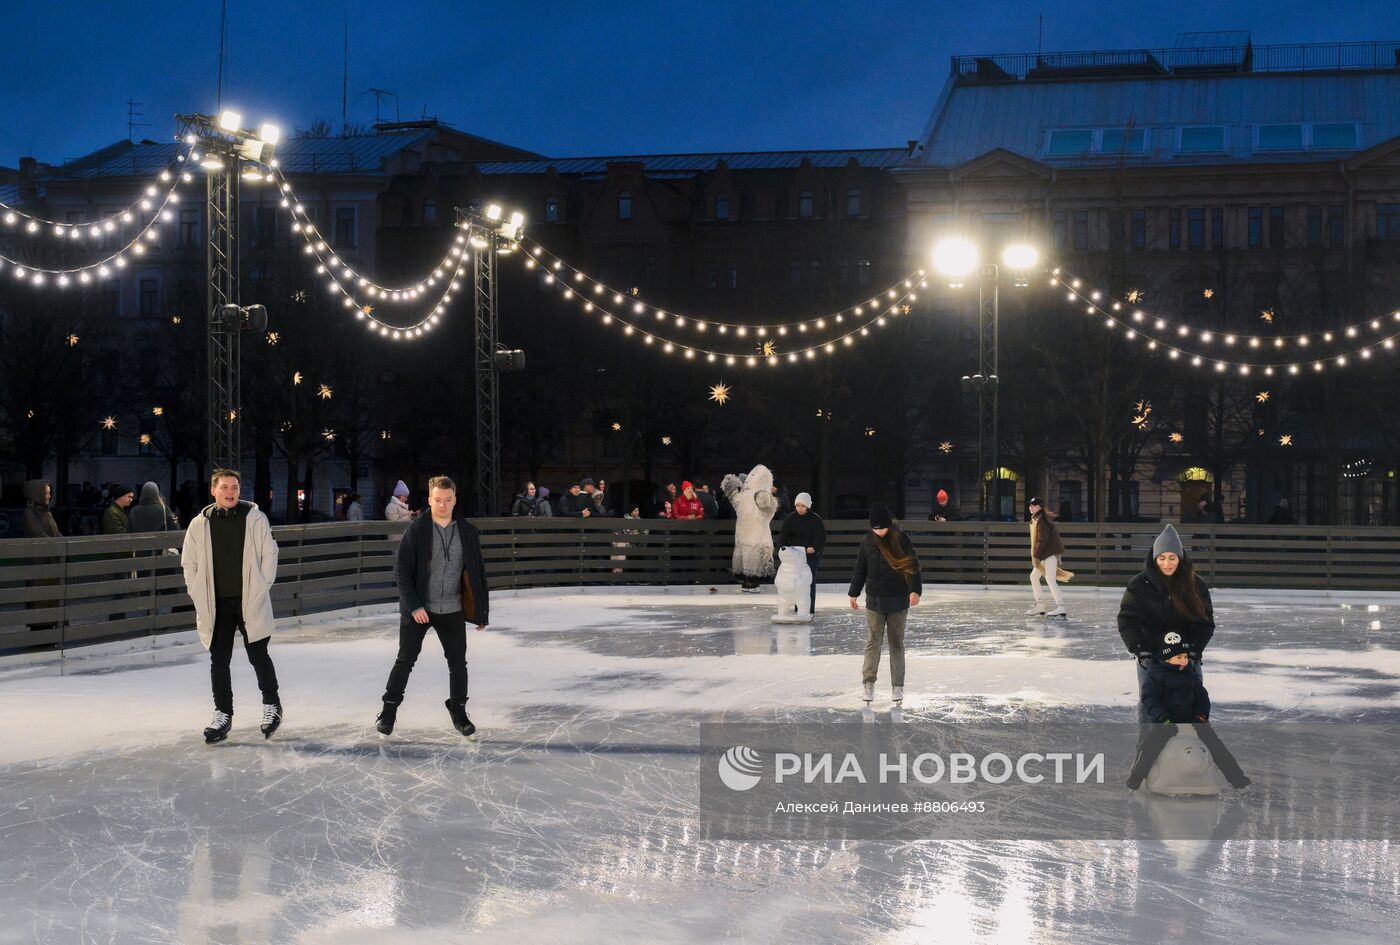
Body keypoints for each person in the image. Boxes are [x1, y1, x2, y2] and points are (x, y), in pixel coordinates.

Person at [376, 475, 489, 739]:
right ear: (429, 500)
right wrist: (414, 606)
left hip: (452, 609)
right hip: (419, 610)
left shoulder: (467, 531)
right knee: (405, 661)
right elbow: (402, 570)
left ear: (455, 500)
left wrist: (481, 612)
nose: (443, 505)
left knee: (458, 663)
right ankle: (388, 711)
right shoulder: (417, 530)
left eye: (448, 500)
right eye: (438, 500)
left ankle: (458, 711)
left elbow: (477, 573)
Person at [180, 469, 283, 744]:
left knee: (258, 655)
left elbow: (269, 554)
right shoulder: (199, 524)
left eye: (235, 487)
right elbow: (189, 563)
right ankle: (223, 714)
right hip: (217, 604)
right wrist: (197, 592)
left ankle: (272, 706)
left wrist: (261, 587)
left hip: (250, 601)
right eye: (225, 487)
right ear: (213, 490)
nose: (230, 491)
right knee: (219, 660)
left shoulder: (255, 518)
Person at [1117, 524, 1215, 724]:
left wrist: (1194, 651)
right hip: (1151, 656)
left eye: (1172, 558)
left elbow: (1205, 622)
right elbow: (1128, 620)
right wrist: (1140, 650)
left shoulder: (1195, 585)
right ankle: (1146, 750)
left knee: (1192, 703)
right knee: (1150, 705)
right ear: (1154, 558)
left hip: (1185, 657)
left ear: (1181, 558)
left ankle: (1190, 749)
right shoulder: (1139, 585)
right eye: (1161, 558)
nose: (1167, 563)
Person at [1126, 635, 1250, 790]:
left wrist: (1201, 715)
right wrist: (1163, 719)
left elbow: (1202, 697)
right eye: (1179, 657)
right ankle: (1135, 780)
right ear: (1167, 658)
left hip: (1194, 721)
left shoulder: (1191, 675)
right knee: (1150, 747)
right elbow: (1151, 700)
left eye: (1185, 656)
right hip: (1166, 723)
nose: (1184, 660)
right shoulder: (1155, 676)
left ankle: (1237, 779)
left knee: (1216, 746)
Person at [848, 505, 922, 704]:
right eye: (875, 529)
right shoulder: (867, 542)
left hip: (898, 600)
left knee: (896, 643)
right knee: (873, 642)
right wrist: (854, 592)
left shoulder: (901, 539)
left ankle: (897, 687)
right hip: (875, 601)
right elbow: (860, 570)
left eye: (882, 528)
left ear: (889, 525)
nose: (878, 532)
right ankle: (868, 684)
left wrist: (915, 590)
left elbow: (912, 565)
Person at [720, 464, 777, 592]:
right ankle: (747, 581)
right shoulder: (745, 497)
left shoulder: (760, 495)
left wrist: (764, 500)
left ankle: (753, 582)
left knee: (754, 557)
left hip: (757, 535)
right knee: (746, 556)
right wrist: (732, 489)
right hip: (745, 534)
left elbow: (768, 511)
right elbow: (736, 502)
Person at [777, 491, 826, 614]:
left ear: (808, 506)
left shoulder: (815, 520)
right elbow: (783, 535)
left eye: (803, 506)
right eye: (798, 505)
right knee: (795, 581)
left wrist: (813, 548)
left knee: (808, 581)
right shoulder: (791, 519)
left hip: (811, 556)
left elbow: (820, 537)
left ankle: (808, 609)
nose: (800, 508)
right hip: (795, 555)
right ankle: (797, 607)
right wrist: (785, 548)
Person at [1027, 497, 1073, 617]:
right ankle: (1040, 605)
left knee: (1050, 580)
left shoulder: (1042, 521)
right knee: (1034, 577)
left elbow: (1043, 540)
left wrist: (1036, 556)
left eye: (1034, 505)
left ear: (1040, 507)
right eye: (1030, 505)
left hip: (1049, 554)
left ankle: (1061, 607)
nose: (1031, 507)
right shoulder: (1037, 518)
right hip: (1044, 555)